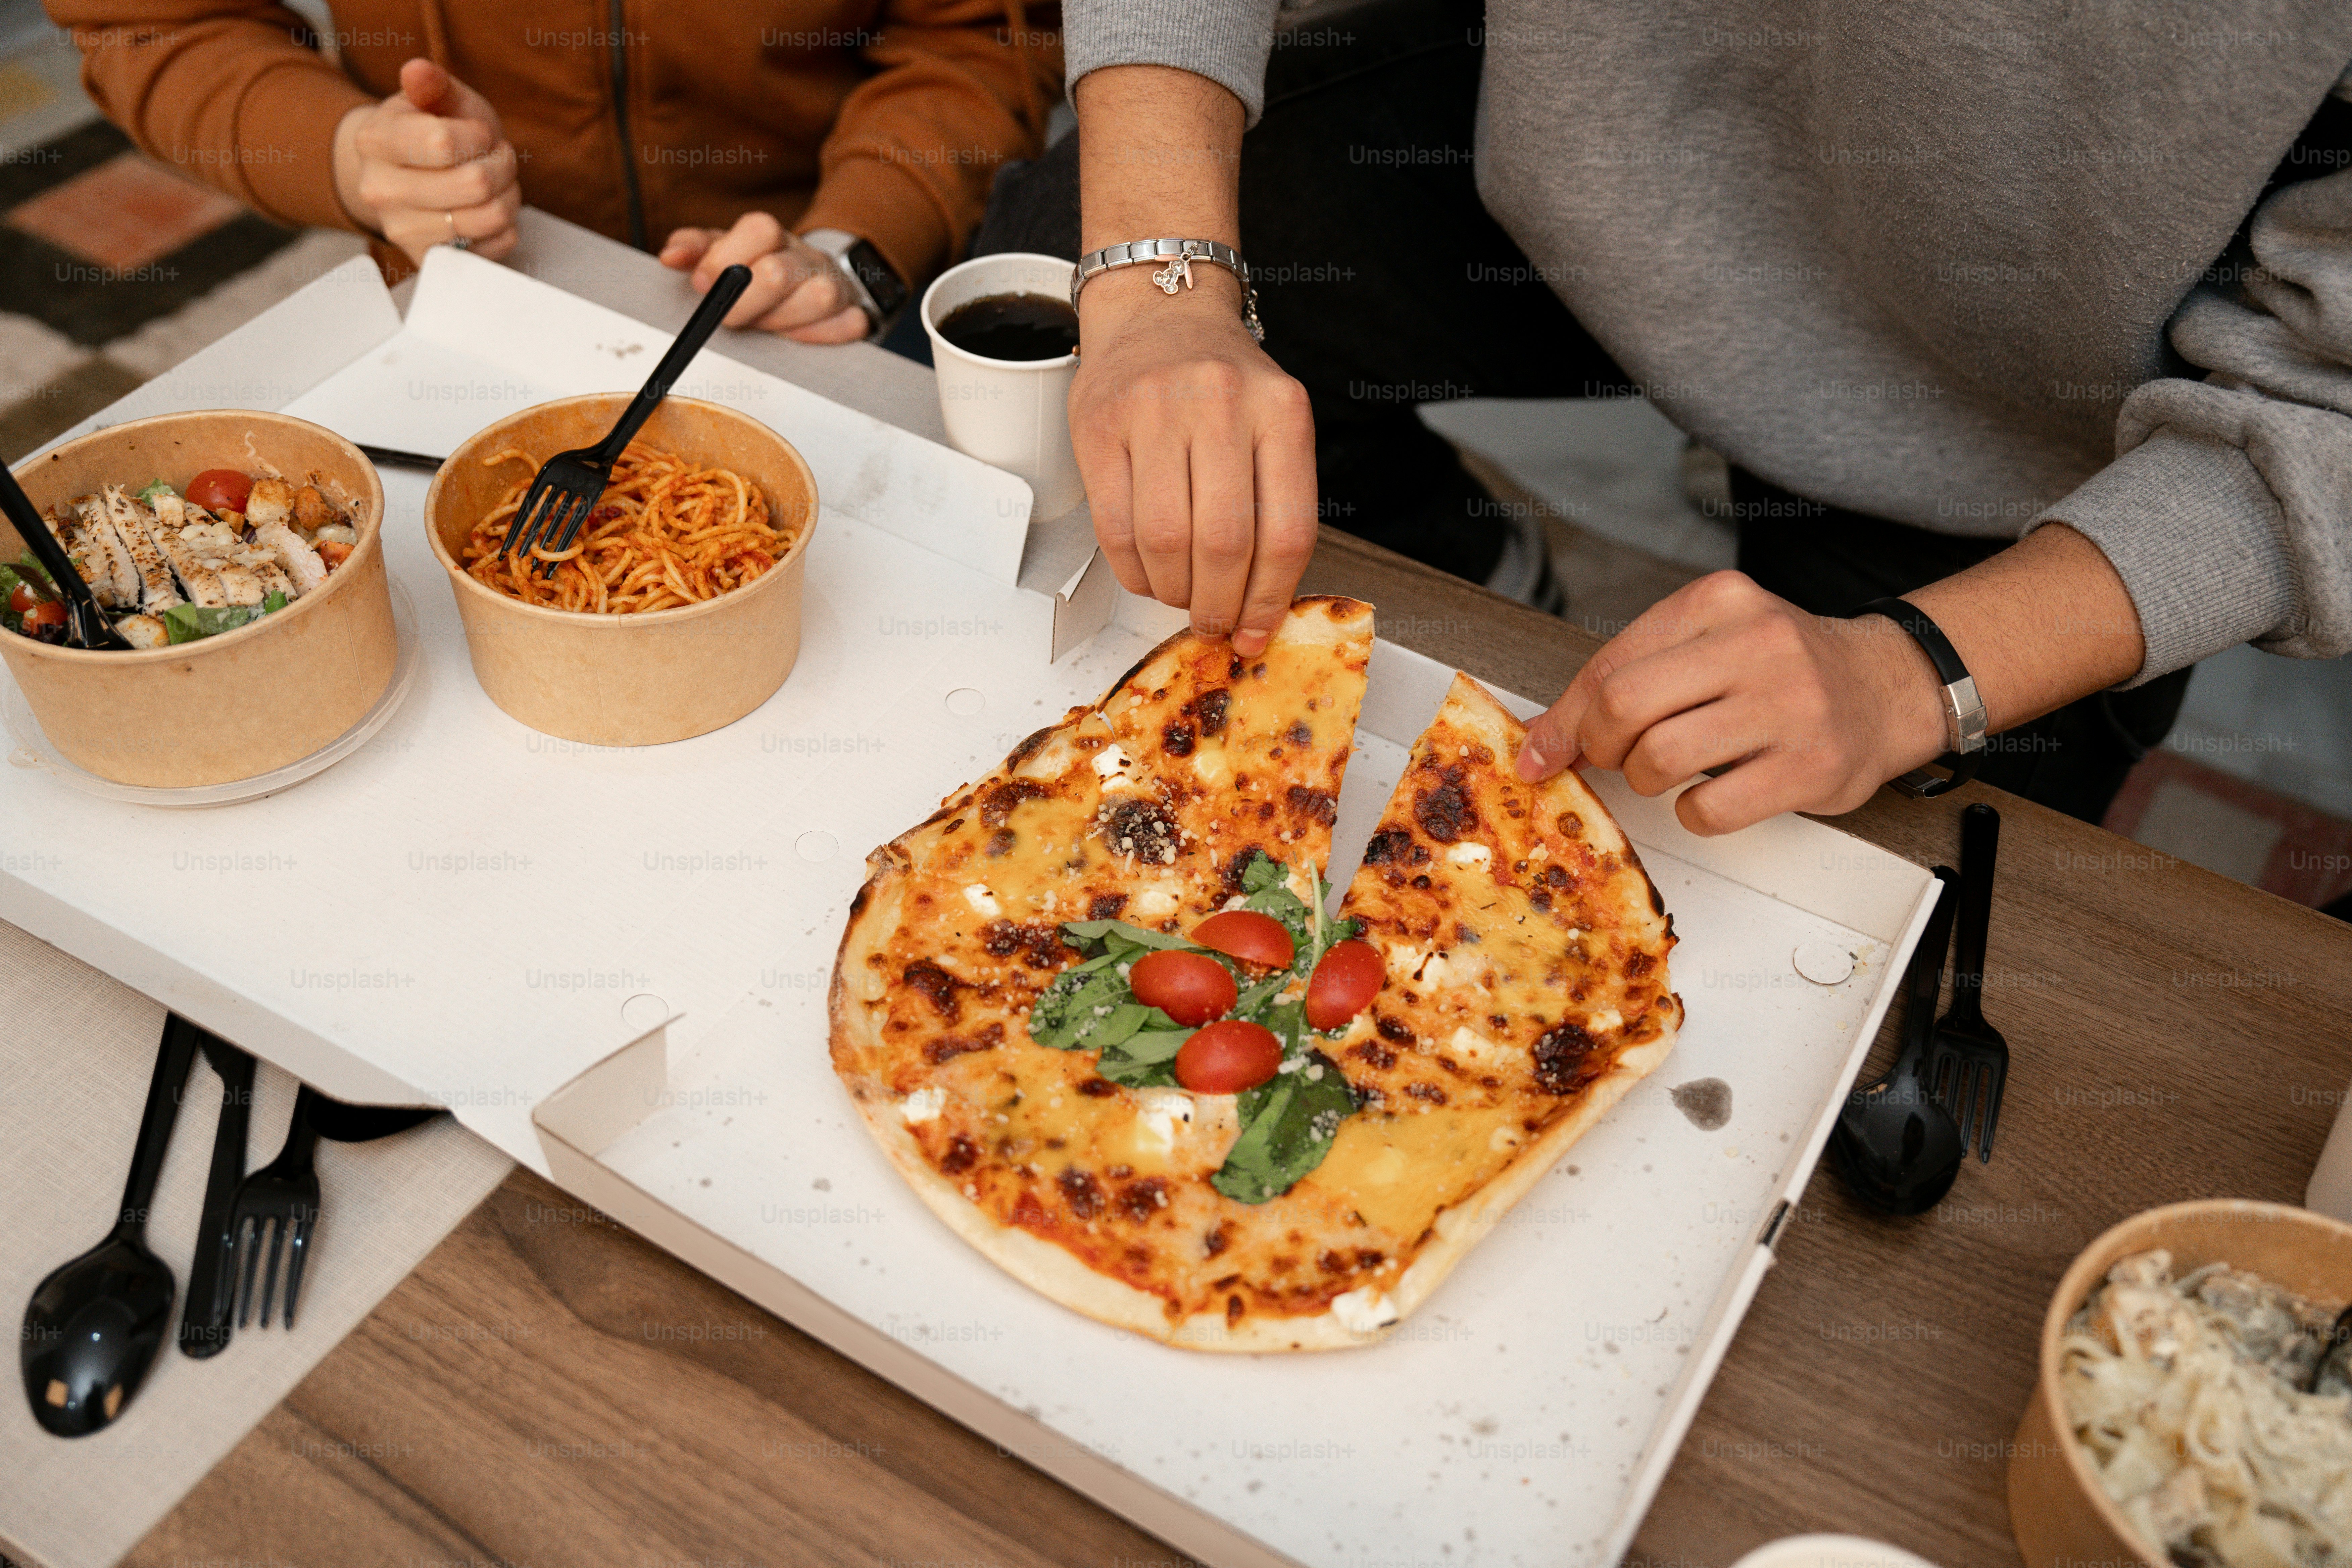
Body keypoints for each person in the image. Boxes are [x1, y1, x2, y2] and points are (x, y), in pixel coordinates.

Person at [980, 0, 2352, 832]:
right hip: (1582, 143)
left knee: (1885, 952)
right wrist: (1159, 291)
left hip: (2026, 426)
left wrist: (1906, 675)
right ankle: (1491, 561)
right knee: (1054, 266)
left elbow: (2330, 414)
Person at [52, 0, 1060, 339]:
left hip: (834, 302)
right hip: (465, 297)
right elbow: (156, 19)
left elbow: (981, 31)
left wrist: (857, 246)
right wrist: (349, 153)